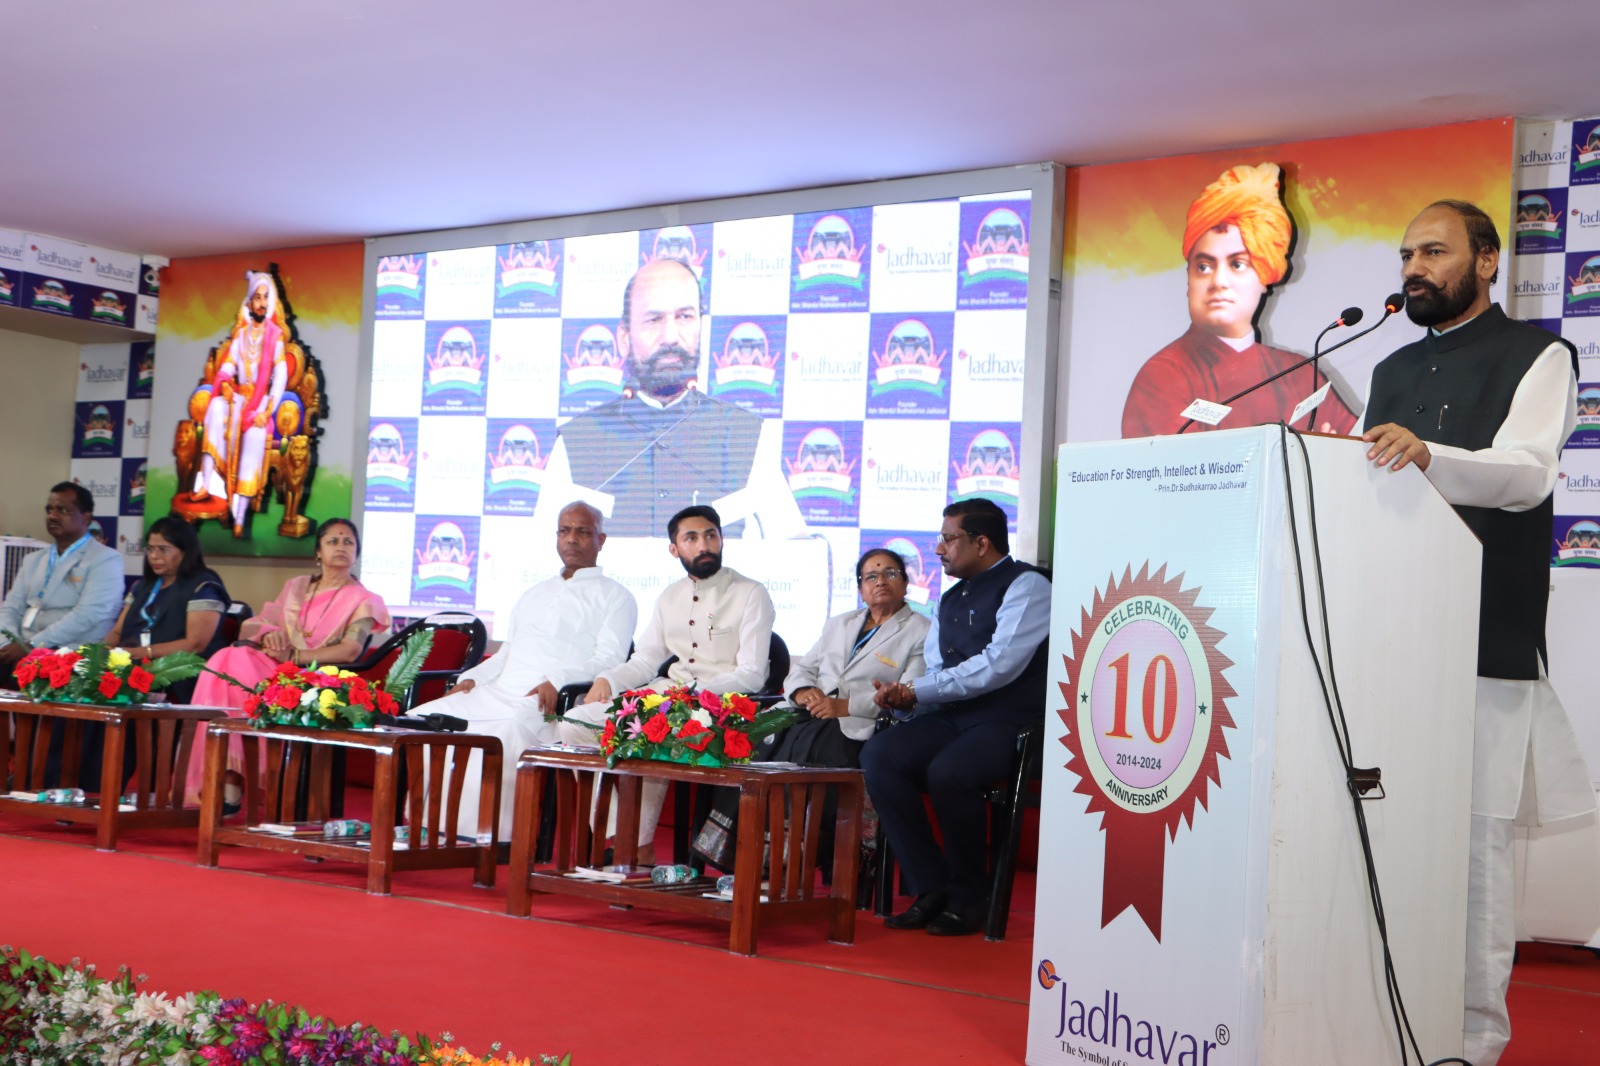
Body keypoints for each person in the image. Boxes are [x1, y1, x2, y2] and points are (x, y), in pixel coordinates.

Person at [1360, 199, 1597, 1066]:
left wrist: (1429, 454)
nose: (1414, 268)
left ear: (1488, 262)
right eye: (1406, 254)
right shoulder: (1388, 368)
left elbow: (1528, 475)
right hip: (1388, 639)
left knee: (1475, 850)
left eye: (1434, 250)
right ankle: (1384, 1014)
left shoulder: (1539, 355)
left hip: (1485, 640)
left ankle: (1471, 1040)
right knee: (1390, 834)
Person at [862, 497, 1051, 936]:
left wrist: (917, 689)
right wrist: (905, 699)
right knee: (881, 755)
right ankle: (932, 886)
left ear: (981, 543)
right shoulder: (947, 600)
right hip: (954, 718)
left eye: (948, 539)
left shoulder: (1027, 586)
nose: (938, 549)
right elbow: (936, 672)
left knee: (950, 772)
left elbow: (998, 665)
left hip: (1010, 721)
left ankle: (971, 894)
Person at [556, 504, 775, 864]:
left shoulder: (750, 593)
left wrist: (698, 695)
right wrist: (608, 679)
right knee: (574, 724)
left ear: (722, 540)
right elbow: (645, 659)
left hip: (716, 707)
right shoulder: (670, 597)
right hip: (664, 697)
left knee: (651, 732)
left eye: (711, 535)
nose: (703, 545)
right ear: (675, 549)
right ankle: (615, 836)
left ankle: (634, 847)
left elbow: (753, 672)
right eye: (691, 538)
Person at [693, 546, 930, 870]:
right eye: (871, 576)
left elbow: (909, 693)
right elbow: (804, 668)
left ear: (905, 583)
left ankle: (786, 862)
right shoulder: (839, 623)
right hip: (807, 711)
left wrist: (845, 706)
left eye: (890, 573)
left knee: (811, 748)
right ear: (860, 588)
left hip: (858, 723)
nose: (880, 581)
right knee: (753, 738)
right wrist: (803, 690)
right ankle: (740, 854)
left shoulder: (921, 630)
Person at [530, 258, 804, 538]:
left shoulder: (744, 436)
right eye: (654, 320)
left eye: (684, 317)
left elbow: (796, 552)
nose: (670, 336)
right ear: (624, 338)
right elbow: (540, 553)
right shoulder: (578, 440)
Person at [428, 501, 636, 841]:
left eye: (583, 532)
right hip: (498, 689)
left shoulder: (616, 596)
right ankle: (424, 825)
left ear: (601, 540)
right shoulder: (534, 593)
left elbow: (610, 659)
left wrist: (557, 681)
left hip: (551, 701)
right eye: (565, 531)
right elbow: (507, 652)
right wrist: (471, 679)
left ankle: (489, 837)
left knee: (504, 728)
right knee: (428, 718)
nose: (572, 539)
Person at [1121, 162, 1361, 438]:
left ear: (1265, 274)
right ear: (1189, 280)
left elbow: (1360, 448)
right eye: (1204, 267)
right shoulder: (1163, 376)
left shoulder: (1299, 375)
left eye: (1237, 264)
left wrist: (1328, 449)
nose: (1219, 281)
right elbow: (1170, 463)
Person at [186, 517, 392, 805]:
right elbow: (255, 625)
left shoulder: (365, 599)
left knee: (231, 663)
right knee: (225, 658)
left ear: (357, 552)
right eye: (332, 541)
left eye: (348, 542)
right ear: (318, 551)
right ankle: (226, 774)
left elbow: (349, 651)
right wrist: (271, 635)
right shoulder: (296, 587)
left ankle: (231, 779)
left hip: (315, 675)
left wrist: (294, 656)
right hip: (274, 665)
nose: (341, 547)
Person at [0, 483, 124, 684]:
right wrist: (8, 643)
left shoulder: (105, 559)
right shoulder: (33, 560)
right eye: (49, 510)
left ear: (86, 517)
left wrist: (33, 645)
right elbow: (10, 608)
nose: (52, 516)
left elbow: (88, 614)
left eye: (63, 510)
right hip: (24, 648)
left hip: (70, 651)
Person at [195, 272, 289, 530]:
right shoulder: (241, 334)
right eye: (257, 298)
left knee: (256, 436)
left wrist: (266, 412)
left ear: (270, 303)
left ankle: (239, 516)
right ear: (249, 302)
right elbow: (229, 363)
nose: (261, 303)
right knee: (216, 406)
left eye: (265, 298)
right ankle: (206, 485)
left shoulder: (275, 336)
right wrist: (225, 383)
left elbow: (280, 376)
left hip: (260, 404)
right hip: (239, 398)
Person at [104, 516, 231, 704]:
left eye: (163, 549)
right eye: (150, 549)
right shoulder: (142, 586)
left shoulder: (204, 587)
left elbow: (194, 645)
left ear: (185, 551)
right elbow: (117, 632)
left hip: (179, 673)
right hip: (133, 665)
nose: (154, 556)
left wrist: (138, 653)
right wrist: (103, 653)